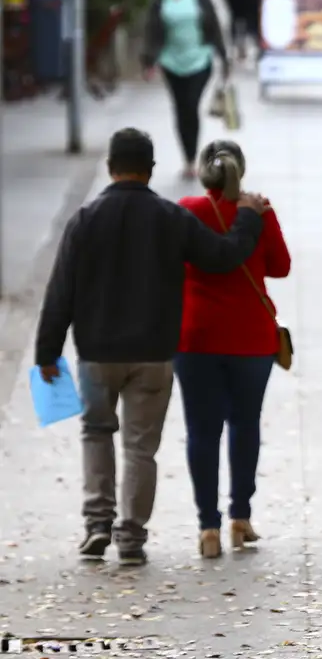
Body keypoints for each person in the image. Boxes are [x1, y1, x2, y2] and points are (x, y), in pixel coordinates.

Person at [34, 128, 269, 566]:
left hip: (97, 354)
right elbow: (221, 258)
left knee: (96, 434)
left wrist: (47, 353)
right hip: (154, 354)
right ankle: (131, 538)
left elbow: (60, 291)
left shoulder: (85, 220)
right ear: (151, 170)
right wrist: (248, 218)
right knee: (141, 448)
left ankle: (97, 524)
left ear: (109, 168)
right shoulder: (169, 217)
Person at [175, 140, 291, 559]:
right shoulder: (259, 210)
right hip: (250, 341)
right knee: (245, 424)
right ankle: (240, 517)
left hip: (196, 338)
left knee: (201, 432)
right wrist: (260, 218)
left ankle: (208, 527)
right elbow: (280, 266)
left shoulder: (188, 209)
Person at [142, 0, 230, 180]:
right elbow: (151, 30)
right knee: (181, 108)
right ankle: (188, 160)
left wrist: (224, 58)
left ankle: (193, 156)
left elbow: (214, 26)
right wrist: (148, 61)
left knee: (191, 105)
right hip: (171, 62)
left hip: (200, 59)